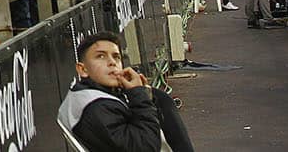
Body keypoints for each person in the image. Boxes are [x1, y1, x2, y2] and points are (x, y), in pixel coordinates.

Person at [58, 31, 196, 151]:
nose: (112, 62)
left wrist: (144, 94)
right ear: (83, 69)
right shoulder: (96, 106)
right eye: (101, 56)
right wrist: (139, 95)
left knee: (159, 97)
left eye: (116, 57)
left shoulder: (87, 93)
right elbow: (145, 147)